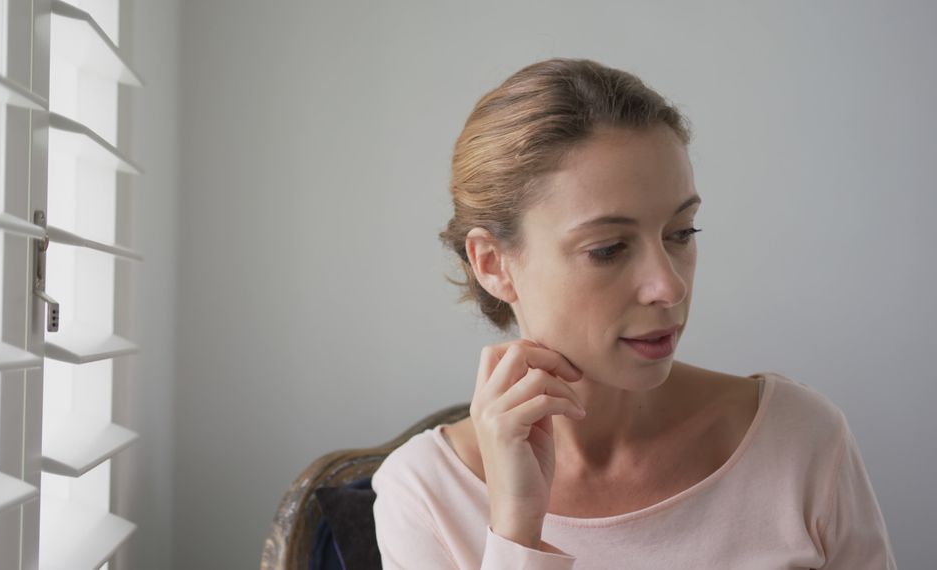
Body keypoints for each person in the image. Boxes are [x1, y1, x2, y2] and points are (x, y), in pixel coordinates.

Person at [371, 58, 896, 569]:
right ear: (493, 263)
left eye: (681, 233)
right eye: (608, 249)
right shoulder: (423, 494)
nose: (669, 286)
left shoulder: (801, 439)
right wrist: (515, 533)